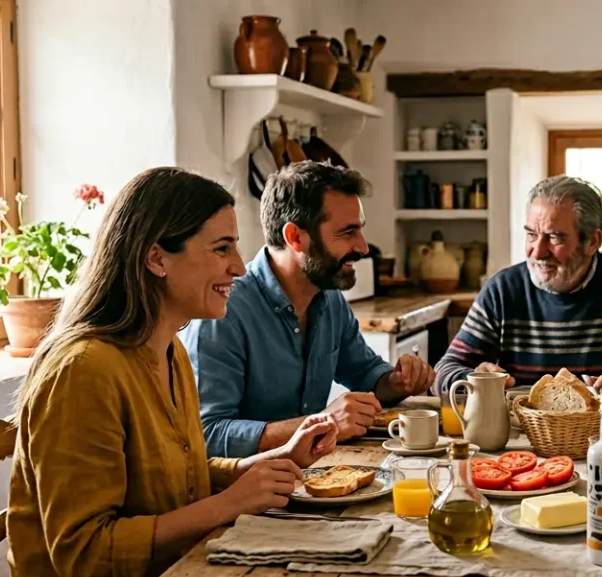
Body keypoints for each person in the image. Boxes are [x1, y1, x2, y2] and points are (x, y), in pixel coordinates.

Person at [6, 167, 372, 577]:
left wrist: (260, 464)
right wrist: (227, 504)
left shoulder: (167, 349)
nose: (241, 267)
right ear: (156, 257)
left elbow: (179, 467)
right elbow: (82, 553)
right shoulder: (83, 371)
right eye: (221, 248)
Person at [182, 162, 434, 458]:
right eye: (348, 232)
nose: (364, 247)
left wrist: (398, 381)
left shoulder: (328, 296)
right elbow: (208, 434)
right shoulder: (224, 311)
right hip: (246, 494)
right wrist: (322, 423)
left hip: (314, 476)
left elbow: (365, 374)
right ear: (295, 237)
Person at [433, 175, 602, 408]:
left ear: (593, 241)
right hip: (521, 443)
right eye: (531, 235)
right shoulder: (502, 290)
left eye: (554, 237)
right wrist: (473, 379)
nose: (538, 252)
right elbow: (444, 372)